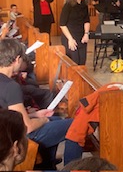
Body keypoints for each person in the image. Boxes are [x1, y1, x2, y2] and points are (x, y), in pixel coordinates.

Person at [0, 39, 83, 169]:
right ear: (16, 60)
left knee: (55, 118)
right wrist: (43, 119)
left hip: (6, 131)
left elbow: (10, 114)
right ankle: (71, 169)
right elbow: (28, 127)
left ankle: (47, 164)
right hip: (17, 137)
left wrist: (36, 114)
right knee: (77, 125)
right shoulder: (11, 86)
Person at [59, 0, 91, 65]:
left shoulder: (84, 5)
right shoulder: (68, 5)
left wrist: (86, 34)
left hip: (81, 35)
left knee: (82, 61)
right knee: (74, 61)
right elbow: (62, 24)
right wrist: (70, 39)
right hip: (70, 36)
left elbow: (86, 21)